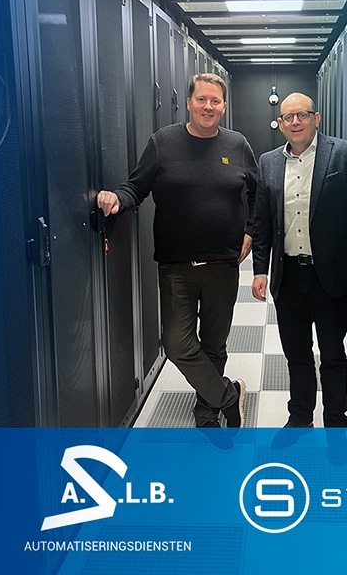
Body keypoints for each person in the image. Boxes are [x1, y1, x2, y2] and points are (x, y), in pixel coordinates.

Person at [97, 73, 257, 445]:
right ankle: (228, 395)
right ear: (188, 103)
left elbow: (259, 193)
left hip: (223, 264)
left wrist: (251, 230)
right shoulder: (163, 142)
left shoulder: (237, 144)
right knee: (178, 345)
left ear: (224, 106)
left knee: (214, 344)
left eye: (215, 101)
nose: (208, 107)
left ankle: (206, 413)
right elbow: (136, 186)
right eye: (201, 99)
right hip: (176, 266)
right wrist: (117, 198)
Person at [252, 92, 347, 449]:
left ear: (316, 118)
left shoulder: (342, 153)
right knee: (296, 354)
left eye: (302, 115)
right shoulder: (268, 162)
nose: (295, 122)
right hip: (288, 276)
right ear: (280, 124)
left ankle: (336, 428)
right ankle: (300, 417)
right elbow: (261, 222)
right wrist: (260, 270)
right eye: (288, 117)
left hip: (328, 275)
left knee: (333, 355)